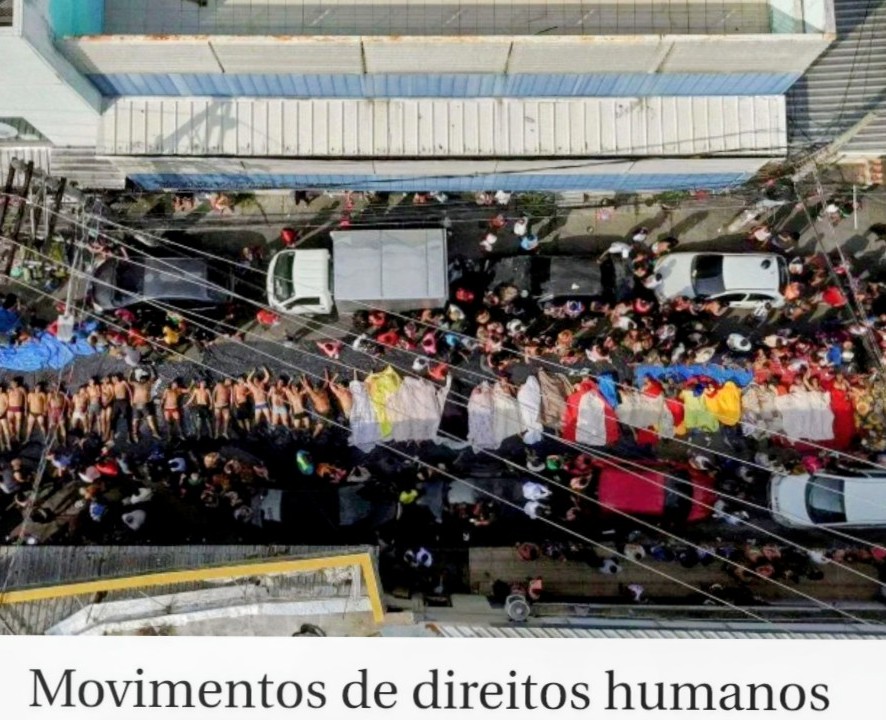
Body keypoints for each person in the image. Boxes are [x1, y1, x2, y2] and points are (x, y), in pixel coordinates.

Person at [130, 368, 161, 441]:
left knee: (150, 419)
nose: (142, 380)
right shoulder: (136, 384)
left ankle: (155, 433)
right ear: (139, 379)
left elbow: (155, 377)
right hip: (136, 405)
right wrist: (131, 372)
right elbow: (130, 380)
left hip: (145, 404)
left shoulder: (148, 383)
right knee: (136, 421)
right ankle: (135, 435)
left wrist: (152, 368)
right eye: (141, 379)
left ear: (146, 379)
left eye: (144, 379)